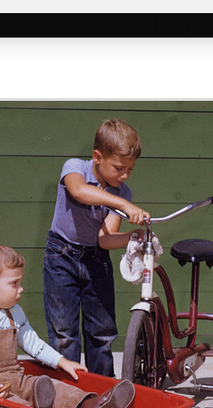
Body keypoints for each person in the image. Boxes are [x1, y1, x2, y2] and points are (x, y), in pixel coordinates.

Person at [0, 243, 135, 408]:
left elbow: (34, 343)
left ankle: (89, 406)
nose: (21, 288)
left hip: (15, 376)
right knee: (15, 405)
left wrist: (62, 362)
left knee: (53, 387)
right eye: (14, 283)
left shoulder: (13, 312)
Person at [42, 119, 150, 378]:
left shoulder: (122, 192)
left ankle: (102, 390)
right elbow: (79, 191)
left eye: (130, 170)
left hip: (96, 260)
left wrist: (130, 236)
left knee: (101, 333)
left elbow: (105, 238)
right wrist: (124, 206)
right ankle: (65, 391)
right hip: (61, 257)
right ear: (97, 157)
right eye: (119, 168)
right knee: (64, 334)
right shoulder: (75, 167)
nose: (124, 176)